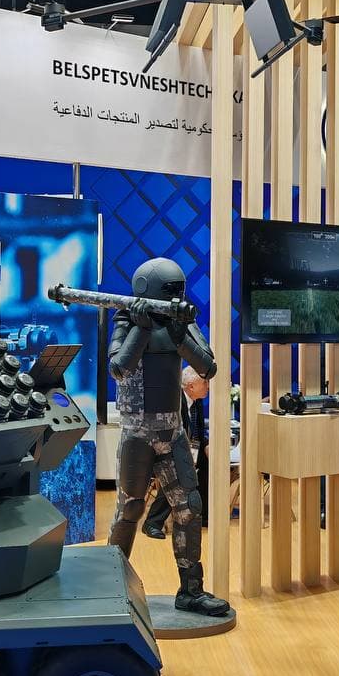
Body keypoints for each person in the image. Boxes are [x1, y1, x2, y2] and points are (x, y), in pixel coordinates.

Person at [107, 256, 229, 616]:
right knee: (130, 509)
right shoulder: (126, 318)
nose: (178, 296)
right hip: (137, 433)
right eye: (172, 291)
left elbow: (208, 366)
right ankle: (110, 586)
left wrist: (179, 335)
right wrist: (141, 328)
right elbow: (119, 367)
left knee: (189, 507)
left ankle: (191, 591)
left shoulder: (181, 321)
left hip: (172, 431)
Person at [143, 366, 210, 537]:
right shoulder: (174, 400)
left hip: (188, 449)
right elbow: (164, 433)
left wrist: (205, 445)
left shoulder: (197, 402)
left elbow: (197, 431)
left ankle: (204, 514)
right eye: (205, 382)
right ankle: (152, 522)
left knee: (209, 464)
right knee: (178, 475)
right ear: (191, 386)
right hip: (164, 449)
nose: (208, 386)